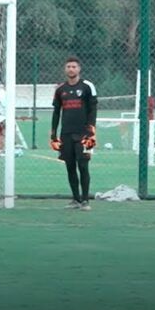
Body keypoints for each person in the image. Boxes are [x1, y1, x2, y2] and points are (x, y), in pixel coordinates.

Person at [51, 56, 98, 211]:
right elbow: (56, 112)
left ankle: (85, 201)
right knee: (70, 166)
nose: (71, 69)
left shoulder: (87, 86)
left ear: (79, 69)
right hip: (66, 134)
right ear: (65, 69)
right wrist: (53, 134)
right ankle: (75, 200)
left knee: (83, 165)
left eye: (74, 67)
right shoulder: (60, 89)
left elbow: (93, 110)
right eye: (68, 66)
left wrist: (91, 131)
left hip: (84, 134)